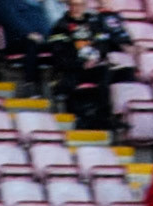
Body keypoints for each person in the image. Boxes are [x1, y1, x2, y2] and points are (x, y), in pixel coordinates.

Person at [46, 0, 135, 132]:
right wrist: (81, 63)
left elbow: (103, 43)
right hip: (72, 71)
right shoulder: (60, 26)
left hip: (95, 66)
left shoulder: (94, 23)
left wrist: (98, 57)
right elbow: (59, 55)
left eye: (81, 5)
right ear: (68, 6)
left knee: (127, 72)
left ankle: (110, 116)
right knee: (103, 71)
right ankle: (102, 118)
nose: (77, 8)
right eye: (74, 5)